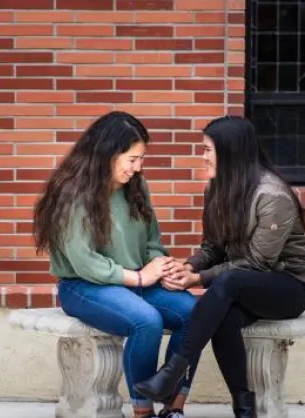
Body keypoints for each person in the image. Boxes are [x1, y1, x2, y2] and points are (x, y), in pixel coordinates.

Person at [134, 116, 305, 418]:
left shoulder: (272, 195)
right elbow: (212, 248)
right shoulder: (217, 189)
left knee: (227, 283)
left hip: (286, 285)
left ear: (231, 151)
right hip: (238, 284)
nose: (203, 156)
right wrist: (187, 267)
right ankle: (244, 408)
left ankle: (171, 371)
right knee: (222, 317)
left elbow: (259, 262)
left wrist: (199, 279)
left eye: (208, 149)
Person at [32, 111, 201, 418]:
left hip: (138, 281)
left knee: (195, 313)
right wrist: (138, 277)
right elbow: (84, 262)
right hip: (84, 286)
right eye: (132, 159)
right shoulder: (73, 193)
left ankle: (174, 406)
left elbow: (152, 238)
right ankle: (143, 410)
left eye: (141, 159)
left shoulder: (136, 186)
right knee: (146, 321)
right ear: (108, 153)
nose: (138, 167)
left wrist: (160, 267)